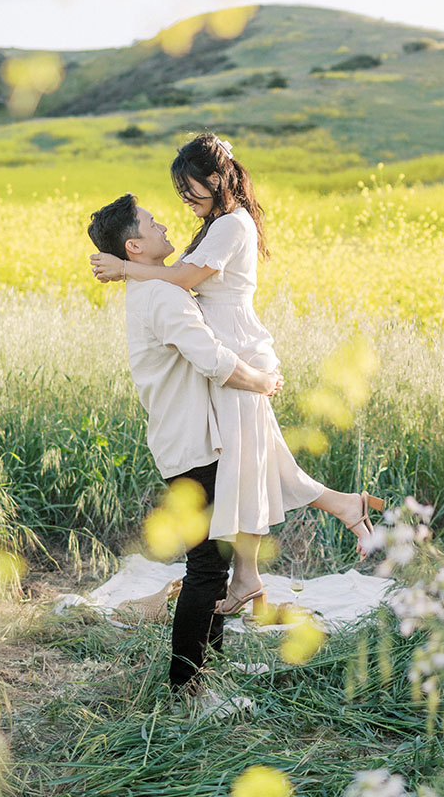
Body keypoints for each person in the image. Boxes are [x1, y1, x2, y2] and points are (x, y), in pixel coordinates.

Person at [90, 134, 383, 618]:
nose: (186, 201)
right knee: (251, 465)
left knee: (247, 468)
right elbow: (181, 277)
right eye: (181, 192)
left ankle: (257, 570)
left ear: (217, 178)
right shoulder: (216, 224)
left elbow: (183, 280)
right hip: (224, 353)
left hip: (235, 355)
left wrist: (126, 267)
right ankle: (292, 545)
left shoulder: (230, 226)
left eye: (191, 189)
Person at [87, 193, 283, 693]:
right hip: (192, 444)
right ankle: (188, 685)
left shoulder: (151, 286)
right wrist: (260, 381)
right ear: (136, 246)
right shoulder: (162, 295)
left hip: (187, 439)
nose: (163, 224)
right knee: (206, 566)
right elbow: (212, 358)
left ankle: (207, 666)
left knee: (211, 560)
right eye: (152, 223)